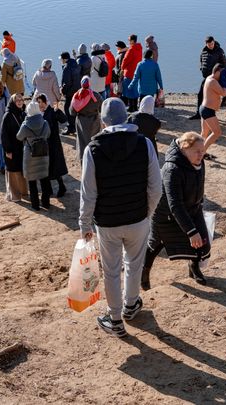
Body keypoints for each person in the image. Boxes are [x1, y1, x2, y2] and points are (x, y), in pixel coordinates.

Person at [78, 97, 162, 338]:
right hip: (138, 217)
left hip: (107, 222)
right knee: (134, 264)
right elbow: (156, 188)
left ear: (103, 121)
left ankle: (114, 318)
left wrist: (84, 224)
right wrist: (147, 212)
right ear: (126, 116)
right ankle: (131, 304)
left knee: (112, 270)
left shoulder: (92, 149)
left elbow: (88, 193)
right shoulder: (144, 144)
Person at [142, 132, 210, 289]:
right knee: (155, 245)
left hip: (193, 208)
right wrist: (191, 231)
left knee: (202, 244)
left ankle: (194, 267)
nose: (201, 154)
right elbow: (175, 204)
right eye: (197, 151)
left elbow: (199, 184)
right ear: (185, 149)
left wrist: (199, 202)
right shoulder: (171, 169)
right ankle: (144, 272)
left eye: (203, 150)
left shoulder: (199, 161)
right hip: (165, 215)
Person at [17, 101, 52, 211]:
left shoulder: (25, 125)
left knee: (32, 182)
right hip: (43, 152)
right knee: (44, 179)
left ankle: (35, 205)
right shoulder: (45, 122)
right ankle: (46, 203)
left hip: (30, 154)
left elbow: (19, 137)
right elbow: (48, 134)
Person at [37, 94, 68, 198]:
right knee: (46, 168)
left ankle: (62, 187)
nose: (39, 104)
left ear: (45, 102)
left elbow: (64, 120)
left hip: (53, 144)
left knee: (56, 167)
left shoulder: (51, 111)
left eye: (41, 102)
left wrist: (57, 110)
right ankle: (49, 189)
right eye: (38, 102)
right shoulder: (37, 114)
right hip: (43, 144)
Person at [0, 93, 28, 203]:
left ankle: (23, 192)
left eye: (21, 99)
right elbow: (3, 135)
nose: (20, 101)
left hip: (22, 148)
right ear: (13, 102)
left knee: (22, 171)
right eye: (17, 100)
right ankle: (14, 195)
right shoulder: (7, 116)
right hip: (12, 149)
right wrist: (8, 150)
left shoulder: (23, 113)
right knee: (13, 172)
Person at [192, 36, 226, 119]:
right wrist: (201, 68)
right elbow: (201, 60)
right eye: (209, 44)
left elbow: (223, 65)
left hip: (214, 79)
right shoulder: (204, 51)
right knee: (200, 95)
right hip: (206, 78)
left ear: (214, 42)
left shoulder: (219, 51)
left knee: (212, 97)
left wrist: (217, 75)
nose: (211, 45)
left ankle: (211, 115)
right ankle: (198, 114)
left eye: (212, 44)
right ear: (206, 44)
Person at [69, 76, 102, 163]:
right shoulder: (96, 95)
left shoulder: (77, 95)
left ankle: (84, 161)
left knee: (82, 142)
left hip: (81, 122)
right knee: (95, 140)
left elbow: (72, 112)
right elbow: (102, 108)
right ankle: (95, 158)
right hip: (95, 120)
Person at [200, 63, 226, 159]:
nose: (223, 76)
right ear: (217, 72)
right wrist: (225, 84)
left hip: (204, 108)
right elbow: (223, 93)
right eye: (222, 74)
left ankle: (200, 151)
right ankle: (202, 152)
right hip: (208, 110)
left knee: (204, 133)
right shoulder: (213, 81)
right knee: (217, 132)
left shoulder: (209, 78)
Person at [60, 51, 81, 135]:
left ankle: (71, 128)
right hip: (77, 90)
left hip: (70, 92)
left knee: (67, 109)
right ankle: (75, 126)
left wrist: (63, 91)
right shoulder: (76, 64)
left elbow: (66, 82)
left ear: (64, 59)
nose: (61, 60)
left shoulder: (67, 68)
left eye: (61, 59)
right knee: (75, 109)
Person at [121, 35, 143, 112]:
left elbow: (125, 60)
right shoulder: (139, 49)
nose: (128, 41)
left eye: (129, 40)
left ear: (132, 41)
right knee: (135, 89)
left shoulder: (131, 50)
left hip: (129, 72)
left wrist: (122, 68)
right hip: (136, 71)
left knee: (129, 90)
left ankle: (131, 107)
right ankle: (135, 107)